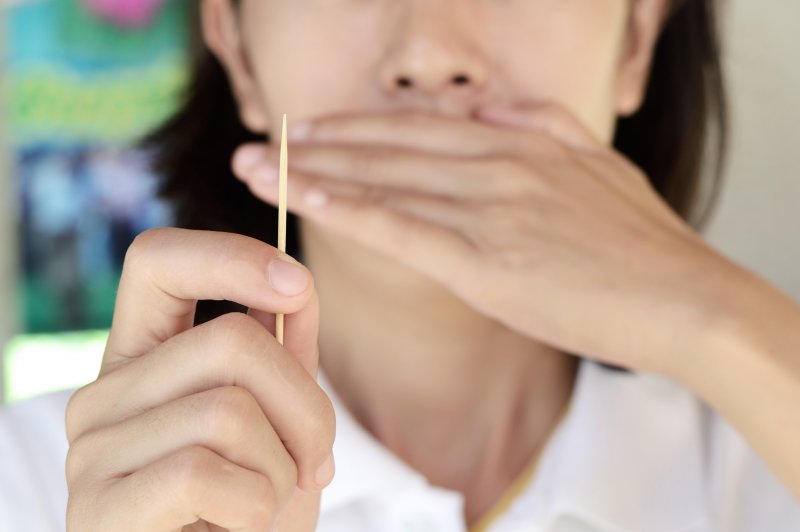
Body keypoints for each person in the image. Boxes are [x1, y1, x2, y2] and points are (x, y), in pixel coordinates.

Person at [2, 0, 799, 530]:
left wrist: (720, 316)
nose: (428, 57)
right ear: (236, 48)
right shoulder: (35, 480)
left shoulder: (761, 466)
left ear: (637, 40)